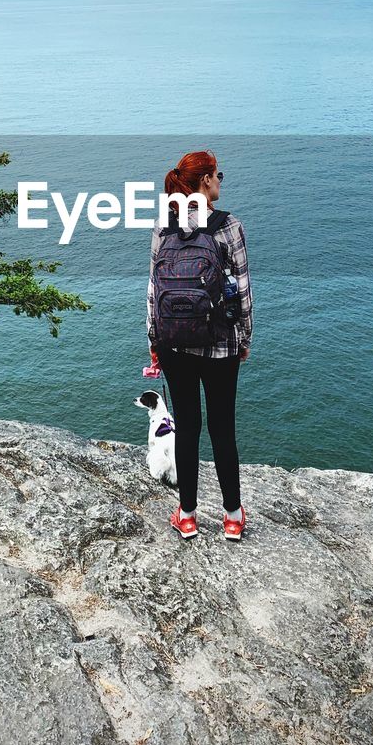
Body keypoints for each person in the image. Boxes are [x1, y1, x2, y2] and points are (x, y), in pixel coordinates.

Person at [146, 150, 253, 541]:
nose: (221, 180)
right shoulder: (229, 227)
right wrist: (244, 339)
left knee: (187, 428)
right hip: (221, 345)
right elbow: (242, 293)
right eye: (217, 174)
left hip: (174, 344)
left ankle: (187, 515)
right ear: (205, 181)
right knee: (223, 430)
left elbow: (153, 291)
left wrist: (154, 340)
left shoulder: (163, 226)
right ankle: (232, 517)